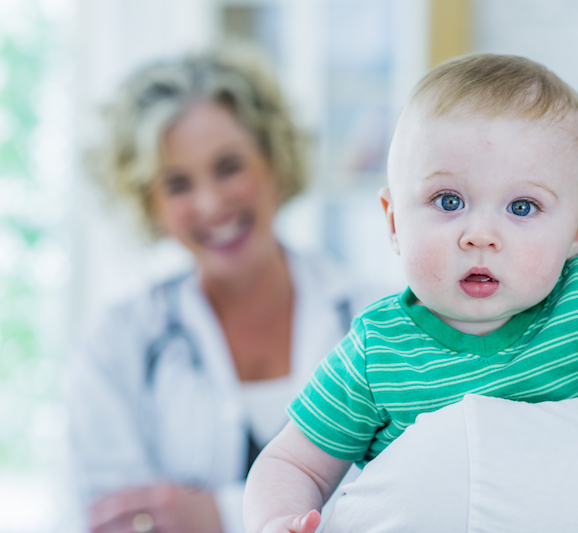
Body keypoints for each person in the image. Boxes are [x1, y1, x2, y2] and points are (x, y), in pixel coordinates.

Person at [242, 52, 578, 533]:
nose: (481, 234)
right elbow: (294, 464)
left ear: (577, 234)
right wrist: (277, 519)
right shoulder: (375, 352)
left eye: (522, 208)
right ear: (392, 221)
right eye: (448, 201)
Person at [66, 49, 380, 533]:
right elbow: (115, 520)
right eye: (177, 184)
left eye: (229, 166)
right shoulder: (118, 341)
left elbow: (403, 502)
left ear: (275, 160)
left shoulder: (376, 318)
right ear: (148, 203)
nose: (211, 203)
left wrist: (220, 514)